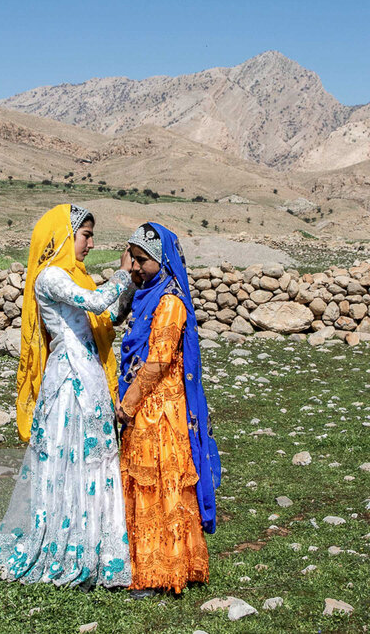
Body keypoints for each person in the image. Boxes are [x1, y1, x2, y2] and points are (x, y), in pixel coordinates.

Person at [0, 204, 135, 589]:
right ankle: (64, 544)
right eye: (85, 235)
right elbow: (99, 303)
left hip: (89, 374)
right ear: (66, 236)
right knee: (70, 455)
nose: (90, 243)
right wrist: (124, 272)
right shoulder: (50, 277)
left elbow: (109, 315)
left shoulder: (76, 277)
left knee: (92, 456)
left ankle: (94, 545)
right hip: (69, 378)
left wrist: (128, 287)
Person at [115, 222, 221, 595]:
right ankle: (146, 565)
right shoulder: (146, 295)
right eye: (134, 259)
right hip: (144, 407)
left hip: (160, 410)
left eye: (142, 260)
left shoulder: (170, 301)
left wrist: (127, 404)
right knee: (147, 486)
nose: (135, 267)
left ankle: (162, 572)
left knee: (160, 485)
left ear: (161, 260)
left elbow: (158, 361)